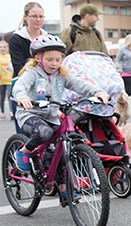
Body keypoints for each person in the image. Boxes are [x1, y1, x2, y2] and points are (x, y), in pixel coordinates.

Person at [12, 34, 109, 200]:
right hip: (30, 114)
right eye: (50, 59)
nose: (54, 63)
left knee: (64, 148)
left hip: (52, 116)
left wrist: (98, 92)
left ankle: (64, 189)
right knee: (44, 133)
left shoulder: (61, 74)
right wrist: (22, 98)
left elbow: (80, 84)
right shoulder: (32, 73)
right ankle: (23, 151)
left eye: (58, 60)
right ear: (38, 58)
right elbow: (20, 86)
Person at [9, 2, 47, 132]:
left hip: (44, 88)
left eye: (41, 16)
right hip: (23, 85)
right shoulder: (16, 38)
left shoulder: (48, 38)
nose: (38, 19)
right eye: (34, 16)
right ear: (26, 17)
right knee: (24, 133)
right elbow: (18, 65)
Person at [116, 34, 131, 114]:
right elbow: (117, 60)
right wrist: (119, 69)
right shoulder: (122, 50)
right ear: (130, 41)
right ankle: (124, 107)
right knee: (128, 92)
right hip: (126, 73)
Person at [0, 40, 12, 119]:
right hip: (1, 80)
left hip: (9, 79)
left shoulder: (10, 57)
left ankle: (11, 112)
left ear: (7, 48)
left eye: (4, 47)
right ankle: (2, 112)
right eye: (0, 47)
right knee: (2, 96)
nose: (2, 49)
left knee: (9, 96)